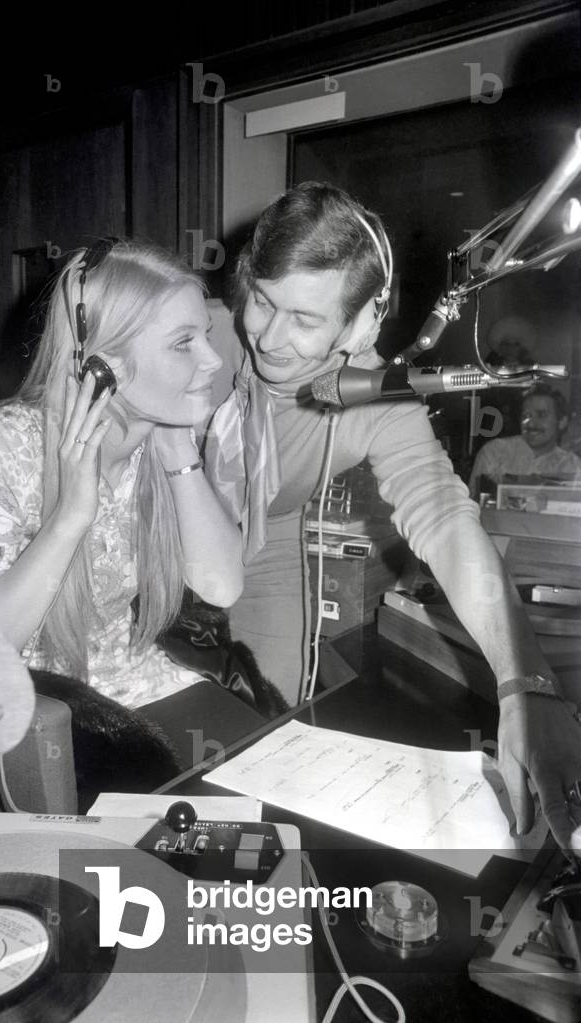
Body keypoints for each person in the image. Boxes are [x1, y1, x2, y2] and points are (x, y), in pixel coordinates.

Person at [204, 181, 581, 849]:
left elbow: (443, 516)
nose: (266, 335)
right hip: (155, 545)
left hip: (265, 558)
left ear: (359, 325)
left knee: (262, 749)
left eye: (304, 318)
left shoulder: (376, 398)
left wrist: (526, 680)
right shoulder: (200, 337)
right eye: (262, 300)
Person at [0, 239, 253, 784]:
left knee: (263, 784)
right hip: (42, 713)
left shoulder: (159, 440)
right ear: (103, 367)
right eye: (184, 343)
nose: (213, 359)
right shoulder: (1, 446)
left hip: (137, 681)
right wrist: (70, 518)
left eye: (204, 334)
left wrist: (179, 454)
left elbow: (221, 586)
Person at [469, 383, 581, 499]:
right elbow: (473, 506)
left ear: (562, 422)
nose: (531, 423)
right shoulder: (495, 452)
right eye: (526, 416)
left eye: (541, 415)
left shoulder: (572, 466)